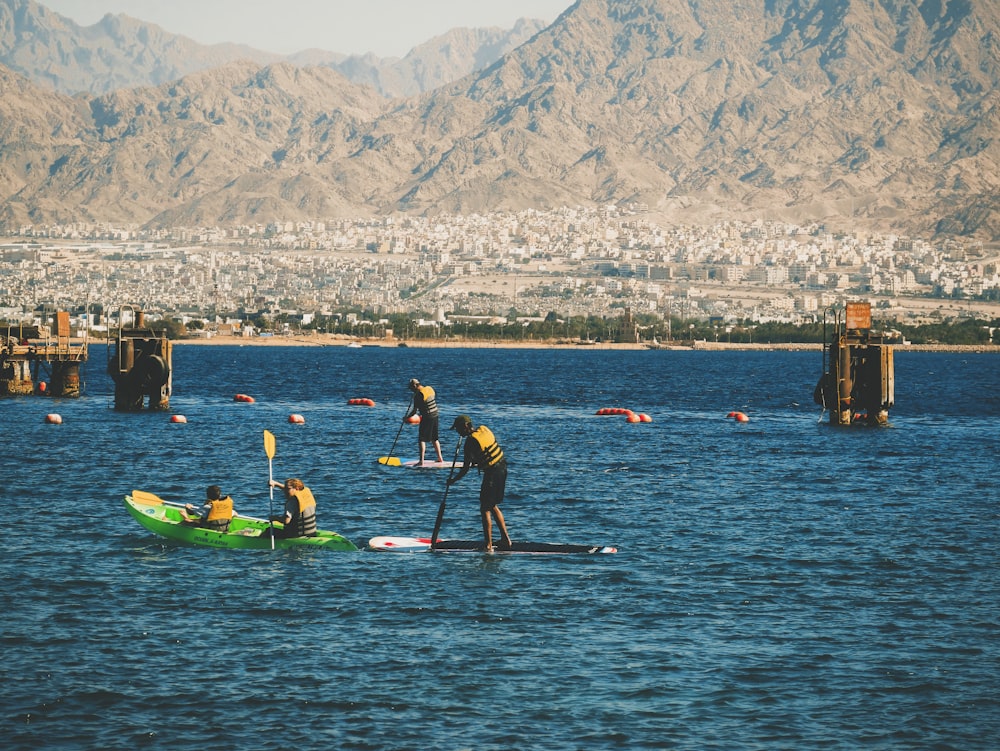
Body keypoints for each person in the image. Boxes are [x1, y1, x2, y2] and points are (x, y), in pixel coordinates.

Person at [446, 414, 513, 552]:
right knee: (492, 505)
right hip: (502, 468)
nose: (458, 432)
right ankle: (506, 540)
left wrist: (453, 480)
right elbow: (484, 452)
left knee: (485, 508)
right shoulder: (484, 429)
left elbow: (465, 468)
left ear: (466, 426)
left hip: (492, 474)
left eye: (458, 429)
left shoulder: (470, 441)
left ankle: (488, 545)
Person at [404, 378, 444, 465]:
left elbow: (414, 411)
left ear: (415, 386)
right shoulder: (429, 389)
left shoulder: (418, 395)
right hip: (435, 415)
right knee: (434, 438)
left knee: (421, 439)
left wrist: (406, 418)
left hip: (427, 417)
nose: (411, 390)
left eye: (411, 388)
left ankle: (421, 461)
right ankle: (440, 458)